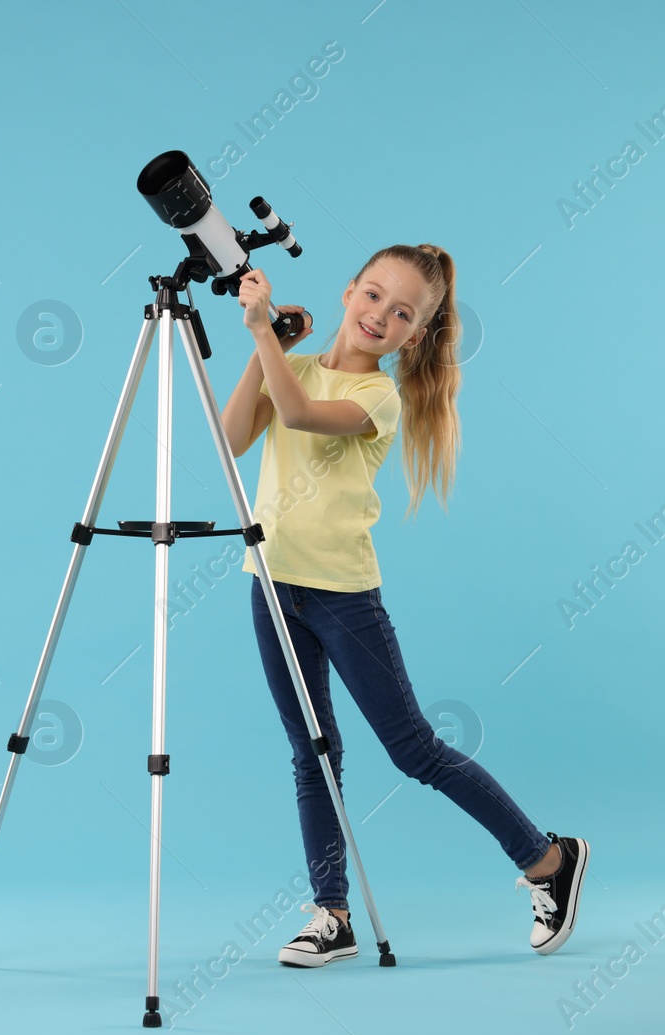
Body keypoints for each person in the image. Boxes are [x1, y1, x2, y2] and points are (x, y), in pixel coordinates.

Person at [220, 243, 589, 967]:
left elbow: (296, 418)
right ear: (348, 290)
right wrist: (267, 346)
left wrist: (263, 330)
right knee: (312, 753)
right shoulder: (290, 365)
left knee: (413, 750)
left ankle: (549, 859)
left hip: (343, 597)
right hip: (271, 585)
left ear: (414, 336)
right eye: (373, 295)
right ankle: (332, 915)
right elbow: (233, 436)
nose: (380, 316)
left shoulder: (376, 397)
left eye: (402, 313)